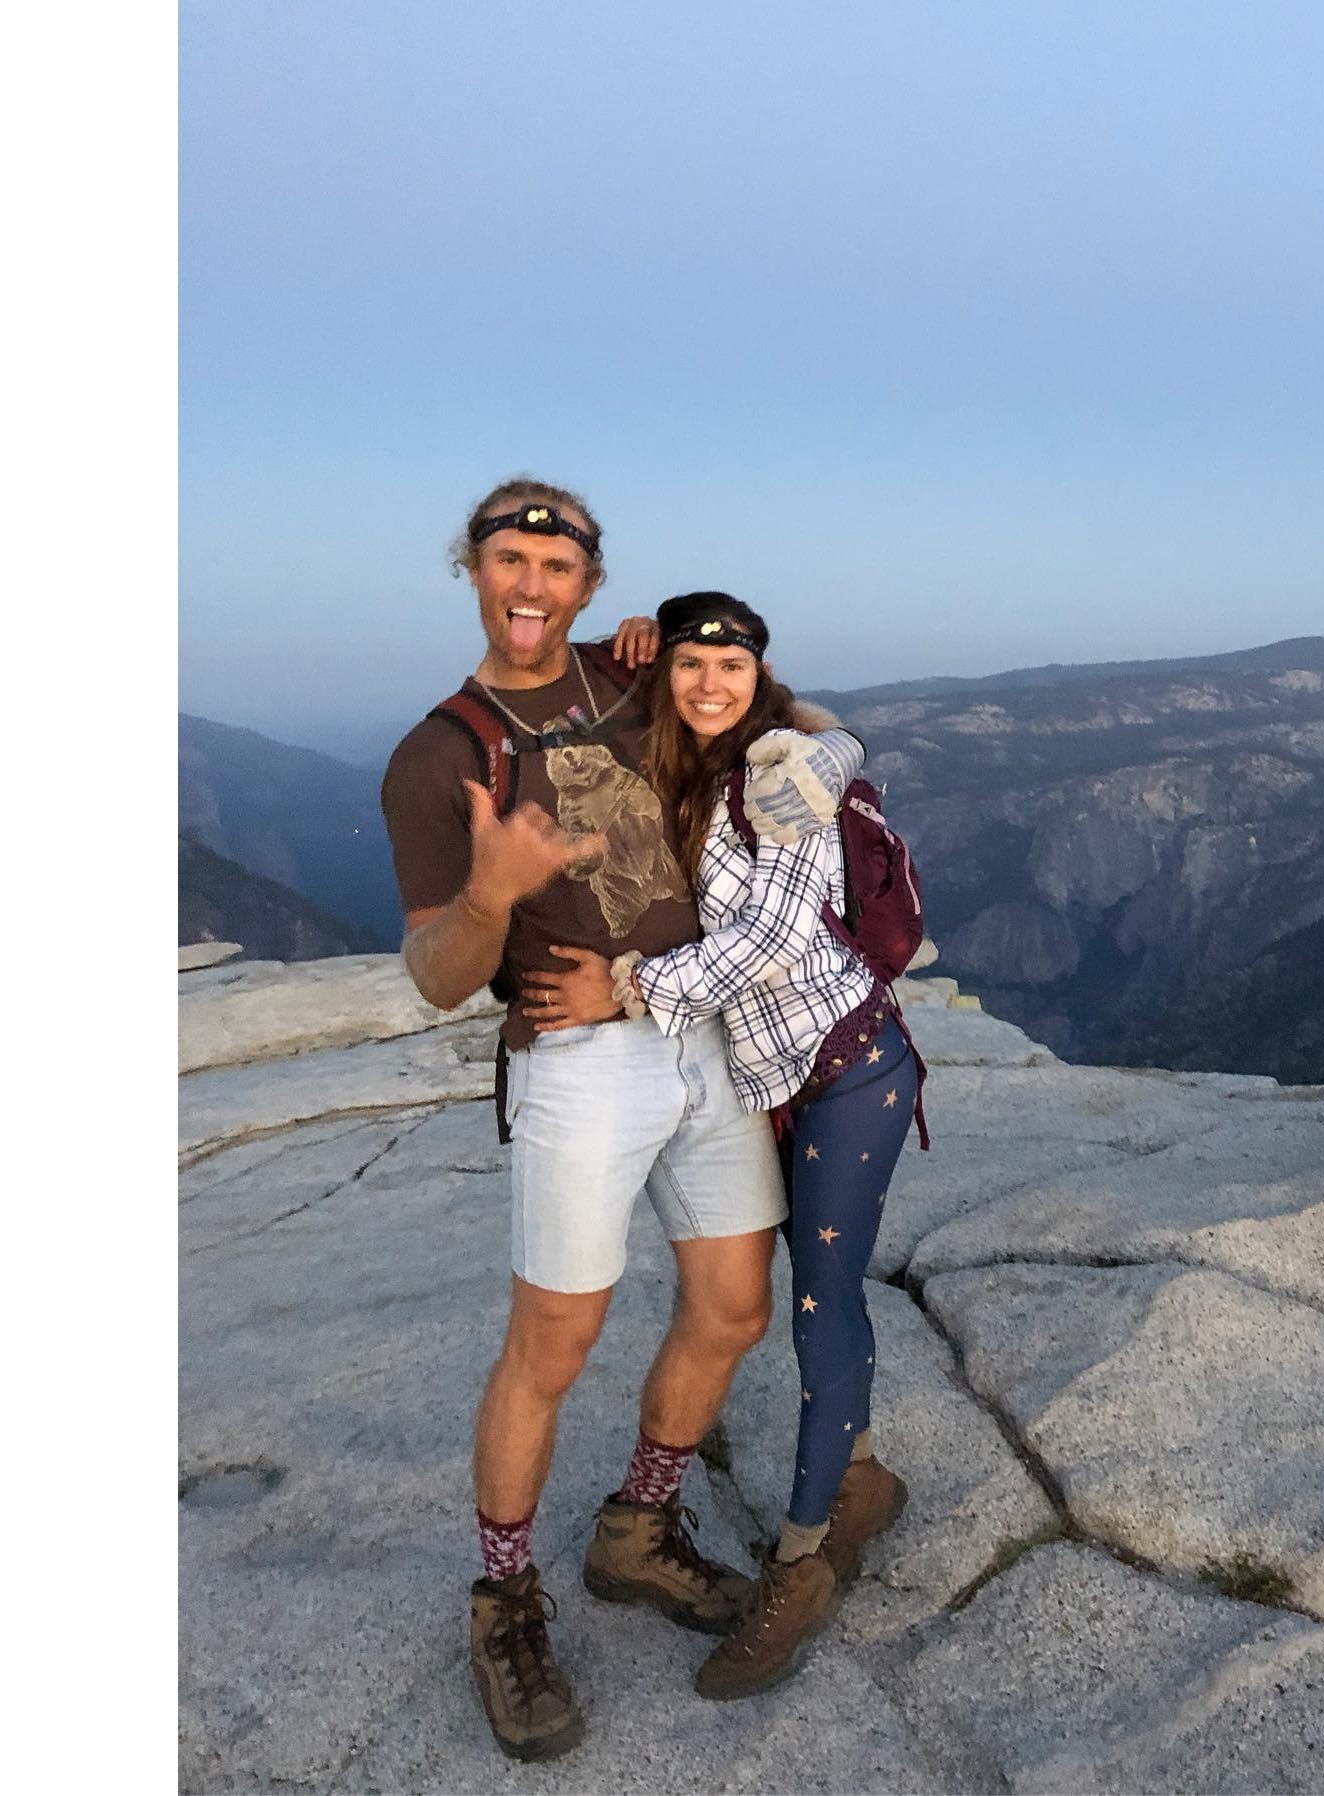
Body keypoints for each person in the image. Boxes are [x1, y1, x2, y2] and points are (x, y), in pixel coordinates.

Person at [380, 480, 862, 1761]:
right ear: (471, 571)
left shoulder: (636, 672)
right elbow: (435, 970)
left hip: (700, 1031)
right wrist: (491, 895)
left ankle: (634, 1530)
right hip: (580, 1057)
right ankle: (503, 1598)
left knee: (732, 1305)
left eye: (554, 563)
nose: (529, 584)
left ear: (591, 586)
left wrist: (816, 757)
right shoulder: (441, 753)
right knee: (554, 1336)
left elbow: (789, 719)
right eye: (506, 559)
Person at [522, 591, 921, 1700]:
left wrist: (626, 989)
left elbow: (774, 939)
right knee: (797, 1282)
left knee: (819, 1297)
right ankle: (860, 1473)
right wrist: (629, 640)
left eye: (730, 668)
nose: (708, 684)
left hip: (848, 1071)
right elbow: (568, 672)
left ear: (760, 680)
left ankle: (800, 1560)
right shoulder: (698, 768)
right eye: (690, 666)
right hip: (776, 1080)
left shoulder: (782, 774)